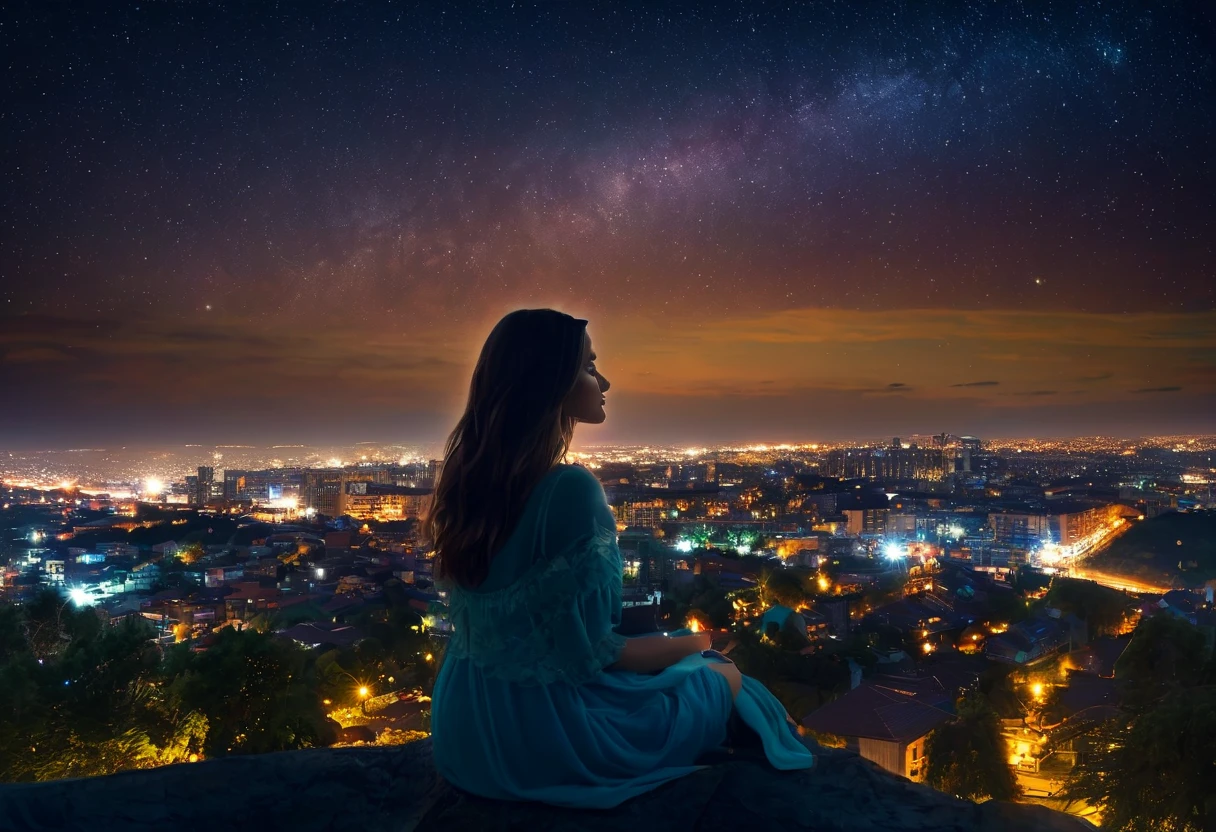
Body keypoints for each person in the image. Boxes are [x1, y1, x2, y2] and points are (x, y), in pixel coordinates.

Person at [426, 308, 814, 810]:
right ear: (551, 383)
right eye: (589, 367)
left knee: (699, 665)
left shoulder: (467, 483)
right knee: (724, 674)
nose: (604, 381)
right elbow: (595, 653)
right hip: (542, 738)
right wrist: (693, 643)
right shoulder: (569, 488)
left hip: (465, 727)